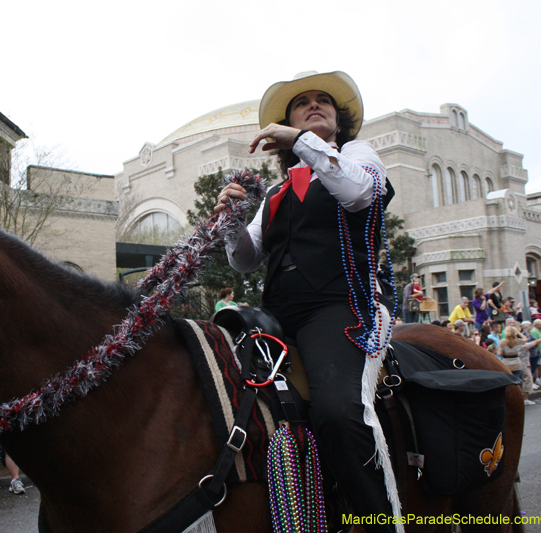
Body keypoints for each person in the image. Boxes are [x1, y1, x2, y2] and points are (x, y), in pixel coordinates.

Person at [216, 70, 400, 531]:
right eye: (302, 103)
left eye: (324, 102)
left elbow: (359, 193)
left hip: (341, 306)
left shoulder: (357, 156)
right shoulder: (276, 191)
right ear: (288, 120)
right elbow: (244, 259)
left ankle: (378, 523)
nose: (314, 106)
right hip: (277, 315)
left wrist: (302, 140)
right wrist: (230, 220)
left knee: (337, 412)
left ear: (338, 122)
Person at [497, 327, 541, 406]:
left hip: (506, 363)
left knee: (507, 383)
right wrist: (519, 333)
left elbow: (499, 354)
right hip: (517, 363)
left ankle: (508, 400)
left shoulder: (502, 342)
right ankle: (519, 398)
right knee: (516, 383)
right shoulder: (519, 341)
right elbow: (526, 339)